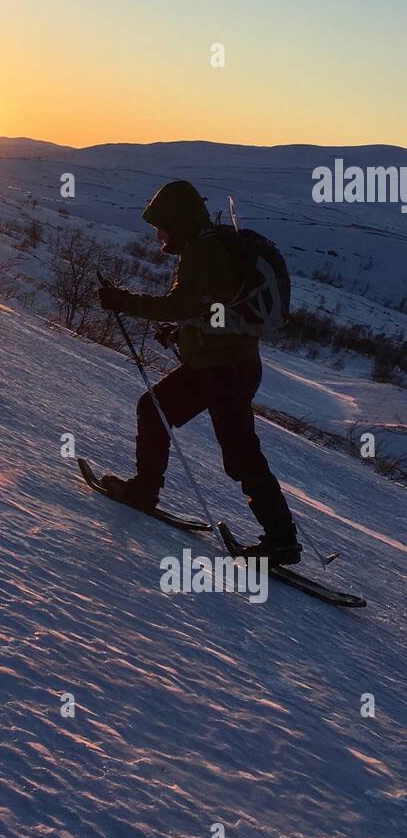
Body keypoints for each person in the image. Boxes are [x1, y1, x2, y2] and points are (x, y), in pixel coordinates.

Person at [97, 179, 300, 564]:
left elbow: (180, 304)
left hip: (226, 371)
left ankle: (282, 541)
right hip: (217, 365)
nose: (158, 234)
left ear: (180, 220)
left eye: (162, 225)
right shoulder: (205, 246)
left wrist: (122, 301)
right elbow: (209, 308)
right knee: (154, 410)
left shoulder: (204, 252)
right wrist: (184, 331)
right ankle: (144, 490)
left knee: (240, 456)